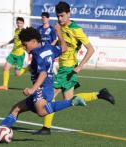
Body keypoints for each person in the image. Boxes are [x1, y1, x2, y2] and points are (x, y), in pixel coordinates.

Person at [0, 26, 86, 142]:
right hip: (45, 88)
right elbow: (64, 48)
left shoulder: (37, 54)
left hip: (42, 89)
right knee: (16, 109)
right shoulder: (49, 48)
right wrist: (59, 34)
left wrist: (32, 89)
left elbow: (43, 73)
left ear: (33, 41)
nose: (24, 47)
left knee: (41, 111)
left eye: (25, 44)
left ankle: (72, 101)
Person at [35, 1, 115, 135]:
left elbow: (90, 49)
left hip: (67, 69)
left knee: (49, 96)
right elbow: (61, 44)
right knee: (69, 99)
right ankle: (99, 94)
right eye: (58, 16)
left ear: (68, 14)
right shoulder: (60, 27)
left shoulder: (76, 29)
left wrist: (80, 66)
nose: (60, 19)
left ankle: (46, 128)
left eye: (62, 16)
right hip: (64, 68)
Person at [0, 17, 27, 90]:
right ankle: (5, 86)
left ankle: (27, 68)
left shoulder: (25, 32)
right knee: (6, 67)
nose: (19, 24)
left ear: (23, 23)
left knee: (17, 74)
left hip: (20, 55)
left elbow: (27, 41)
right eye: (17, 23)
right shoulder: (16, 30)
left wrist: (24, 45)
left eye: (20, 23)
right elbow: (14, 39)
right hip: (13, 53)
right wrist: (6, 44)